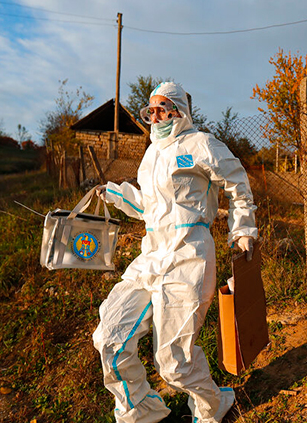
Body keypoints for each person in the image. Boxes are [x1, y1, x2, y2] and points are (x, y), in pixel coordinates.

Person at [91, 82, 258, 423]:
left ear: (180, 110)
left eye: (163, 108)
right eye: (150, 110)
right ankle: (142, 414)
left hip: (189, 256)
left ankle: (213, 406)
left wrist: (242, 229)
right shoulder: (151, 153)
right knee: (109, 337)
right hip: (151, 256)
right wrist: (113, 194)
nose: (156, 115)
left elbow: (237, 182)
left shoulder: (201, 144)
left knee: (174, 363)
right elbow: (149, 207)